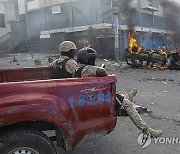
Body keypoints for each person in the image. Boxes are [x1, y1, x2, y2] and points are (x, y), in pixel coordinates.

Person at [74, 47, 162, 138]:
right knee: (127, 104)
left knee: (120, 96)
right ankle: (147, 130)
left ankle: (126, 96)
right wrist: (100, 69)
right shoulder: (87, 69)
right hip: (94, 99)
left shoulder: (77, 67)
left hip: (87, 96)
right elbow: (103, 72)